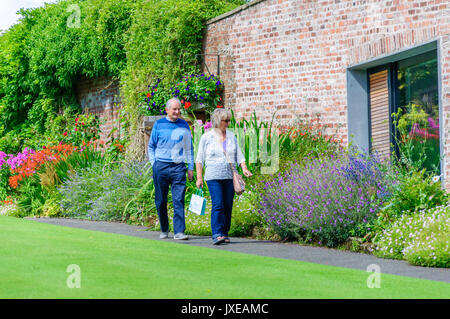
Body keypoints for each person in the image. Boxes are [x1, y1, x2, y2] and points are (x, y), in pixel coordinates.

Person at [195, 108, 252, 245]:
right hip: (213, 175)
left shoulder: (232, 136)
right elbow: (199, 159)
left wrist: (244, 168)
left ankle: (225, 232)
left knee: (227, 205)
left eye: (229, 120)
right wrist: (199, 178)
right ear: (216, 121)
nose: (227, 123)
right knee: (218, 204)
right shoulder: (206, 137)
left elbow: (239, 154)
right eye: (225, 120)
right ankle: (217, 233)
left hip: (229, 175)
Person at [148, 97, 194, 240]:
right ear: (167, 110)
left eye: (179, 109)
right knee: (161, 200)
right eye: (174, 109)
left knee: (178, 199)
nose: (177, 111)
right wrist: (154, 163)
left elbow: (189, 148)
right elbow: (151, 146)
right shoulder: (159, 124)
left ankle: (179, 232)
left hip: (178, 168)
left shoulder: (184, 125)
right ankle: (164, 228)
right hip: (160, 166)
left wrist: (190, 167)